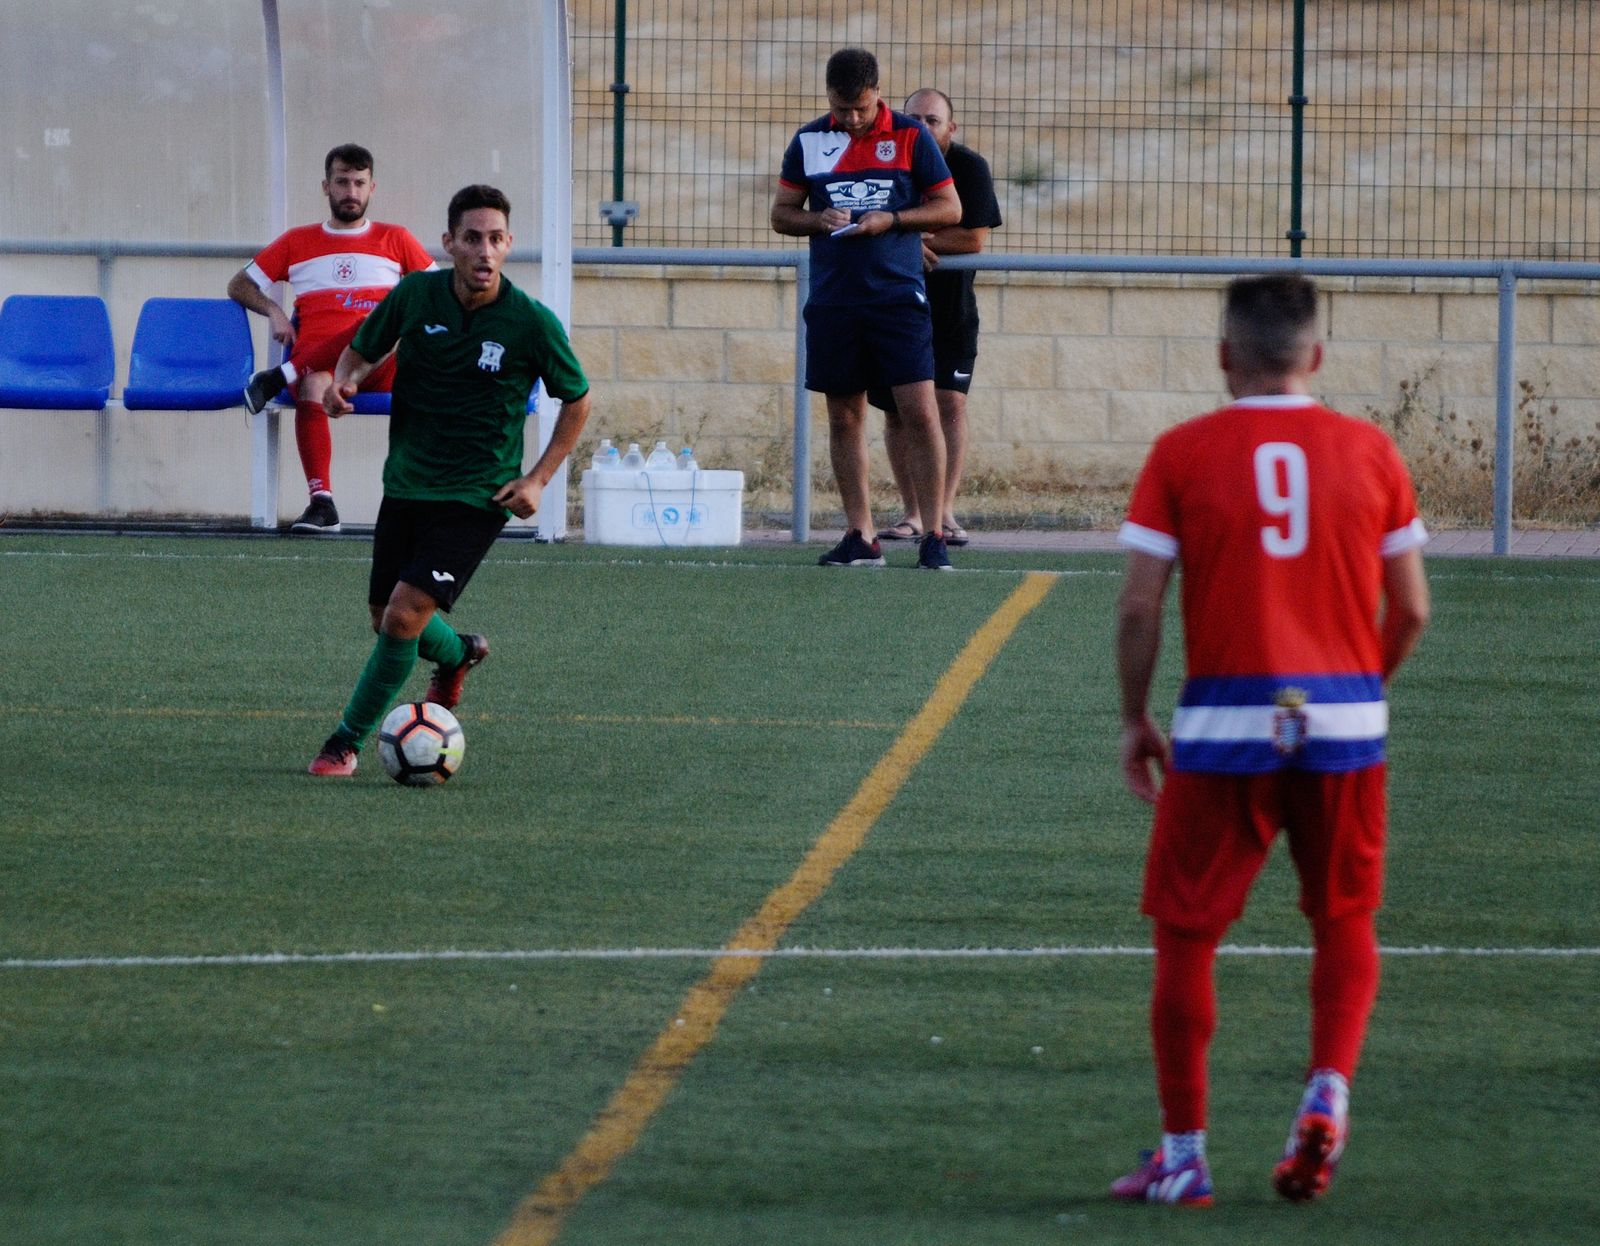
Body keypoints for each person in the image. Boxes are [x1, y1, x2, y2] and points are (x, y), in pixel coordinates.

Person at [1110, 275, 1430, 1206]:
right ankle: (1326, 1088)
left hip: (1223, 726)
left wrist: (1135, 718)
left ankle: (1184, 1155)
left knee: (1186, 932)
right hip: (1344, 723)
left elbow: (1139, 604)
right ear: (1316, 357)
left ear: (1224, 356)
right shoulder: (1371, 450)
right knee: (1343, 917)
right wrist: (1358, 691)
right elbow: (1409, 607)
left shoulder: (1183, 452)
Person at [307, 184, 592, 777]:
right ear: (449, 244)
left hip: (478, 493)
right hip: (408, 481)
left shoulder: (530, 322)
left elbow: (578, 399)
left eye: (495, 240)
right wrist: (345, 382)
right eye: (472, 239)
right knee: (384, 614)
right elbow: (361, 350)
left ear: (509, 245)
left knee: (404, 616)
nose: (484, 252)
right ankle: (459, 653)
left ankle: (344, 741)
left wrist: (537, 478)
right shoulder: (415, 295)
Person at [771, 48, 962, 570]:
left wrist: (893, 220)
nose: (851, 119)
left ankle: (933, 534)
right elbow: (782, 215)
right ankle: (861, 535)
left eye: (859, 108)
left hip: (898, 299)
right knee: (843, 417)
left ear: (877, 92)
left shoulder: (911, 136)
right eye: (841, 109)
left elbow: (950, 207)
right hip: (834, 299)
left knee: (919, 413)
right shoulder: (810, 140)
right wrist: (818, 219)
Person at [227, 143, 436, 535]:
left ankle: (277, 376)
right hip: (324, 369)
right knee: (312, 384)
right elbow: (239, 285)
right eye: (342, 182)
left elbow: (438, 292)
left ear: (373, 188)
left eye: (359, 183)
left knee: (381, 321)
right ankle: (322, 503)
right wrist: (275, 311)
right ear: (326, 187)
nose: (351, 192)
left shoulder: (396, 239)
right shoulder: (297, 241)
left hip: (384, 364)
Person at [869, 89, 1001, 549]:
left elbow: (972, 240)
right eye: (914, 118)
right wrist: (914, 239)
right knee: (897, 412)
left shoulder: (969, 168)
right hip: (894, 302)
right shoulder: (885, 163)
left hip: (951, 310)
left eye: (933, 120)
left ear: (951, 128)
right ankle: (912, 513)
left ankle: (942, 511)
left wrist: (904, 235)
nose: (923, 127)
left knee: (949, 405)